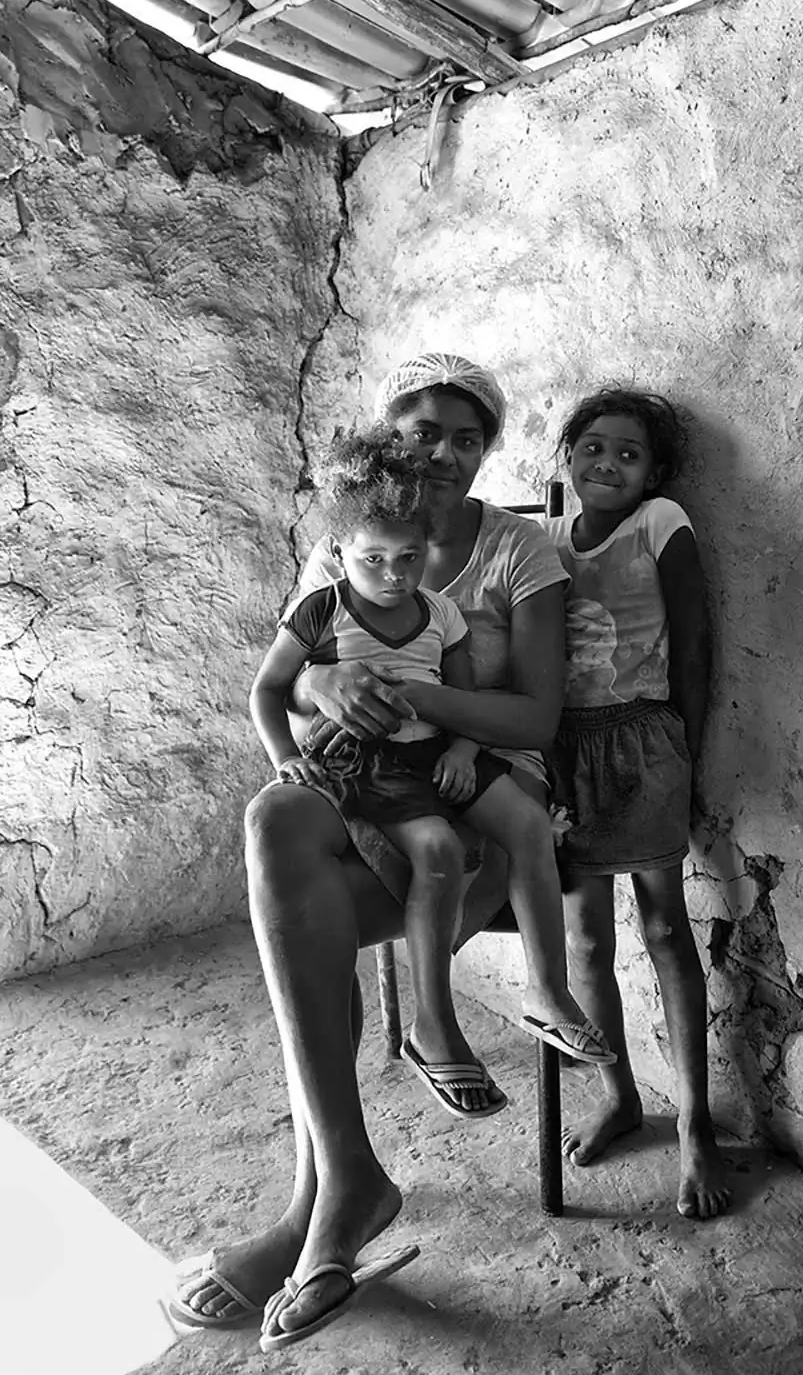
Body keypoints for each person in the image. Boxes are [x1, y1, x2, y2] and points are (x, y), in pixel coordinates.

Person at [169, 353, 574, 1345]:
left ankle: (322, 1202)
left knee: (298, 923)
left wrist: (421, 700)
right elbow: (295, 677)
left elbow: (535, 714)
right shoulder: (344, 545)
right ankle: (342, 1184)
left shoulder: (518, 552)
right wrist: (323, 694)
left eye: (467, 436)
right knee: (273, 820)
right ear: (384, 441)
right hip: (357, 783)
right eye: (424, 429)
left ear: (486, 454)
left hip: (473, 792)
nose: (444, 450)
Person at [250, 431, 614, 1125]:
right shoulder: (321, 608)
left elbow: (468, 692)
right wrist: (284, 756)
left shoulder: (442, 611)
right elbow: (269, 690)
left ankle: (547, 990)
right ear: (340, 550)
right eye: (372, 560)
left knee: (529, 825)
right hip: (370, 766)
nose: (392, 574)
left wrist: (464, 750)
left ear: (427, 542)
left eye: (409, 558)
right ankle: (431, 1028)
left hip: (436, 754)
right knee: (436, 852)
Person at [546, 386, 731, 1220]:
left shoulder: (662, 522)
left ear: (655, 471)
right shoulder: (544, 541)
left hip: (647, 743)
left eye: (628, 453)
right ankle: (620, 1094)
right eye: (592, 447)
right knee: (585, 940)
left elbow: (693, 641)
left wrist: (686, 751)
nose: (608, 464)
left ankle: (695, 1122)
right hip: (565, 750)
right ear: (568, 458)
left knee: (664, 928)